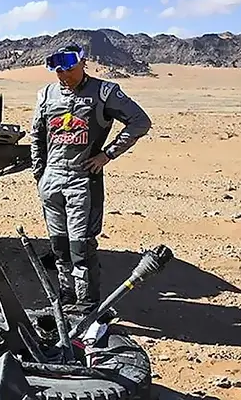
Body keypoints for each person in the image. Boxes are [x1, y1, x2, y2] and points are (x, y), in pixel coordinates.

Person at [29, 44, 152, 314]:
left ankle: (86, 306)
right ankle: (65, 300)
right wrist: (40, 173)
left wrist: (107, 154)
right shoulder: (46, 95)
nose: (64, 75)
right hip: (52, 181)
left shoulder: (104, 92)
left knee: (81, 247)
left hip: (82, 181)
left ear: (84, 64)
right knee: (59, 246)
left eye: (69, 69)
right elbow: (36, 135)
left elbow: (140, 122)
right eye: (59, 71)